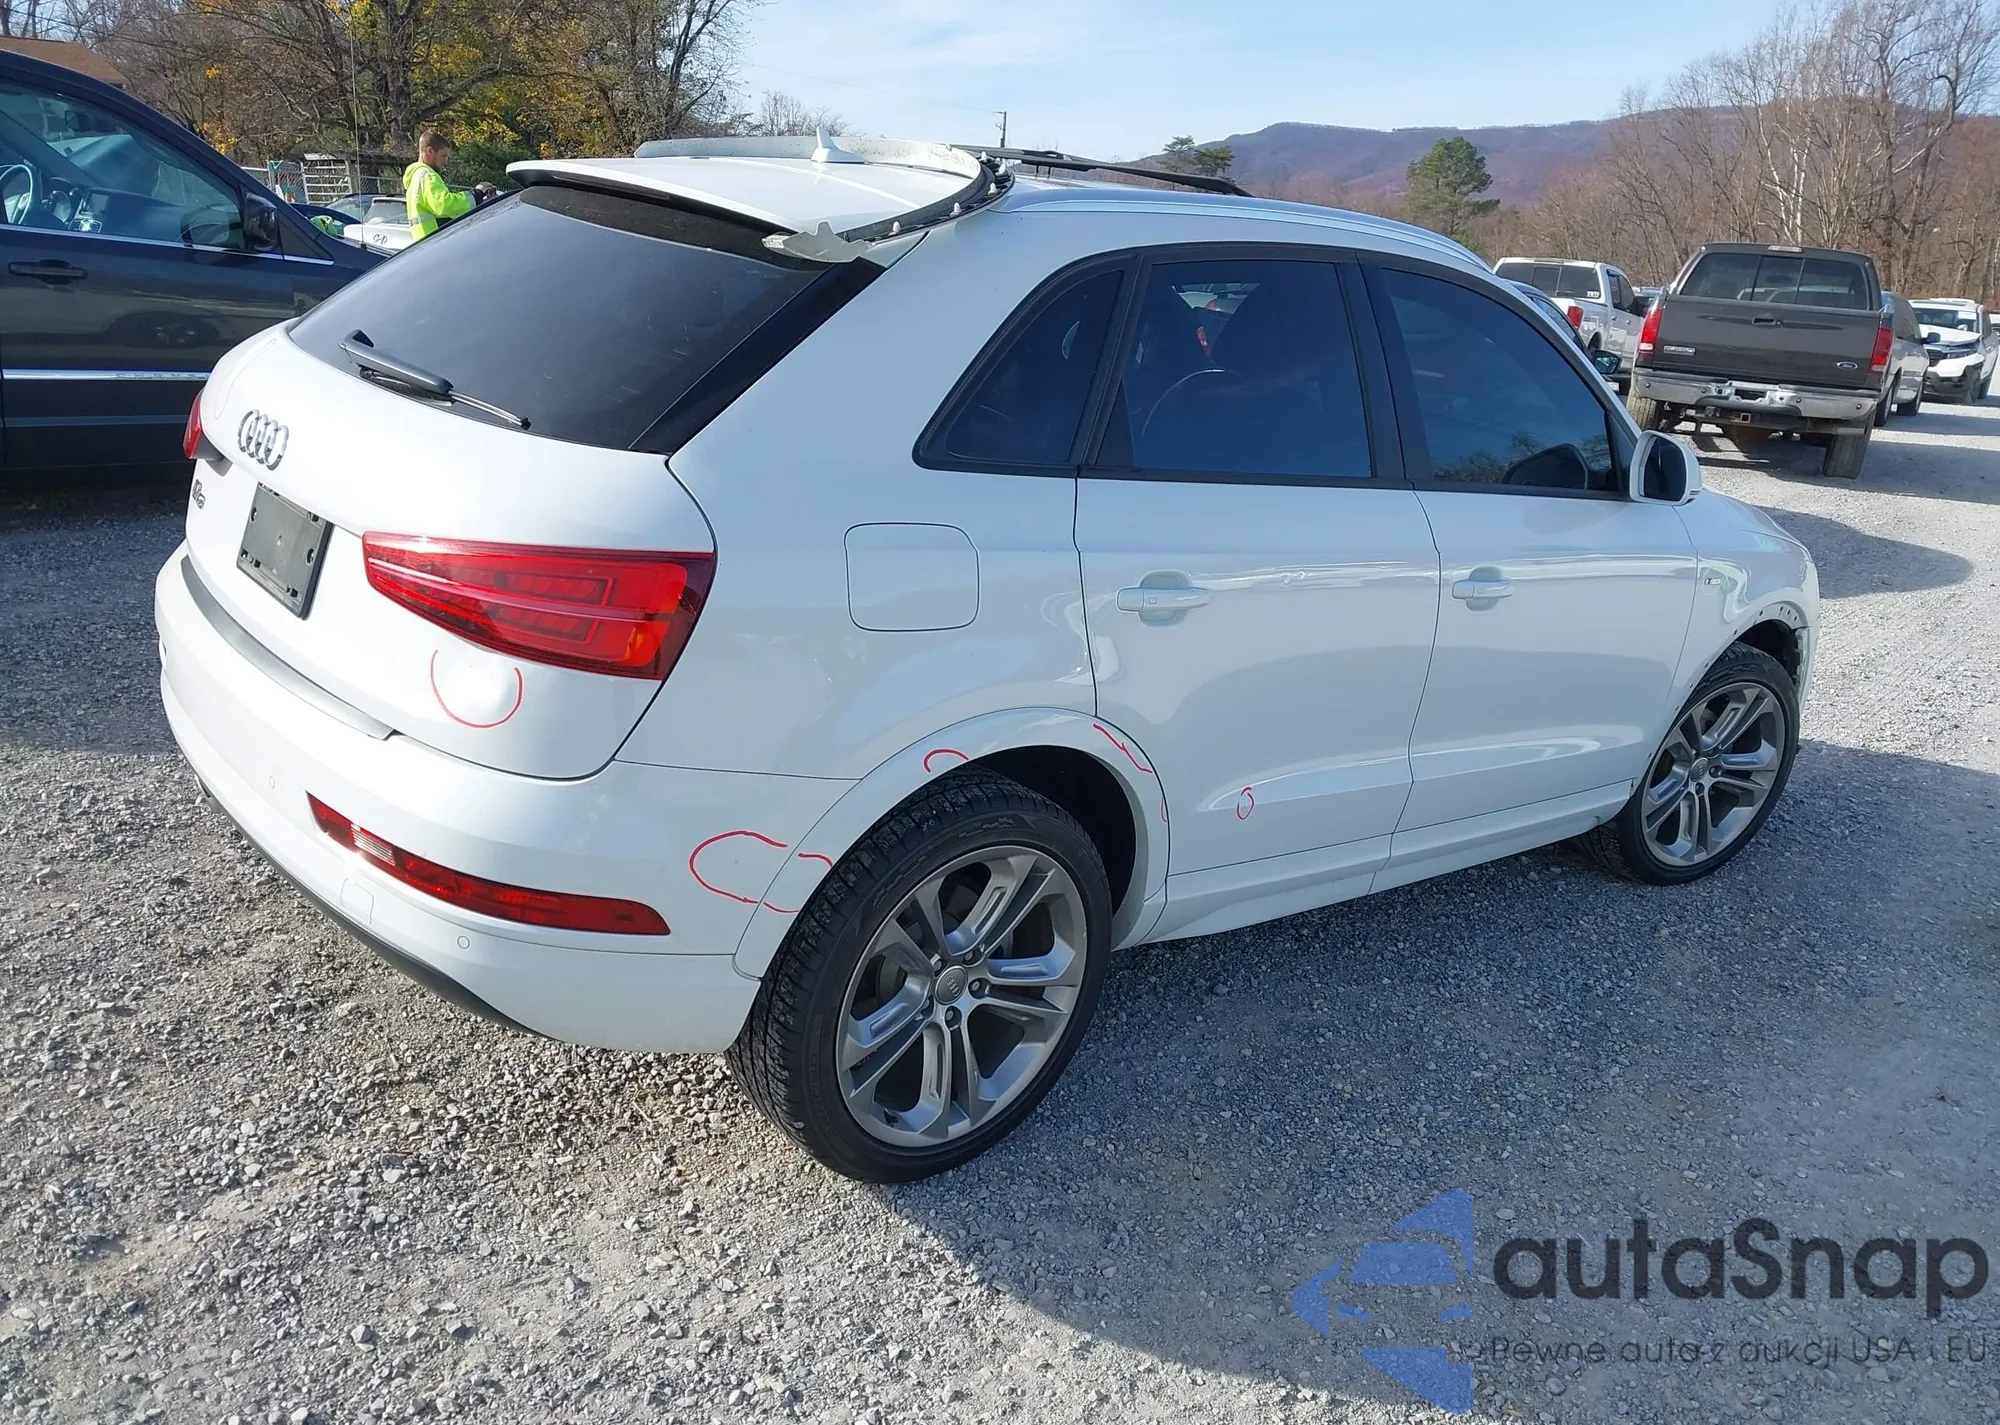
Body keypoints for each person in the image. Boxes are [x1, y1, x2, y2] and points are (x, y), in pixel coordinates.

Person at [402, 129, 489, 242]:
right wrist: (476, 194)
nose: (446, 161)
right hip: (435, 242)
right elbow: (445, 205)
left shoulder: (415, 177)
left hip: (424, 244)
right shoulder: (427, 176)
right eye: (443, 155)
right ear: (430, 151)